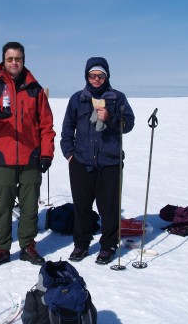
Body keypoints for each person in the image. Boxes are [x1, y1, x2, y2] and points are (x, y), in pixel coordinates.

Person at [0, 42, 56, 267]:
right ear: (3, 61)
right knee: (3, 206)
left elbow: (46, 125)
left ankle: (28, 246)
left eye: (18, 58)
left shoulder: (35, 89)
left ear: (23, 60)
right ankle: (1, 248)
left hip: (31, 156)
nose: (14, 62)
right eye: (10, 59)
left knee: (30, 207)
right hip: (3, 156)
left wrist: (46, 153)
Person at [60, 57, 135, 265]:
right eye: (92, 75)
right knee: (82, 206)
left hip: (109, 162)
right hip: (81, 161)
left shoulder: (118, 98)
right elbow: (67, 129)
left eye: (100, 75)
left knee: (108, 207)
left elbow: (128, 124)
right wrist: (69, 153)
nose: (96, 79)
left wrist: (110, 117)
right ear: (87, 76)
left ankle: (109, 245)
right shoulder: (77, 99)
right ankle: (81, 244)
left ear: (106, 76)